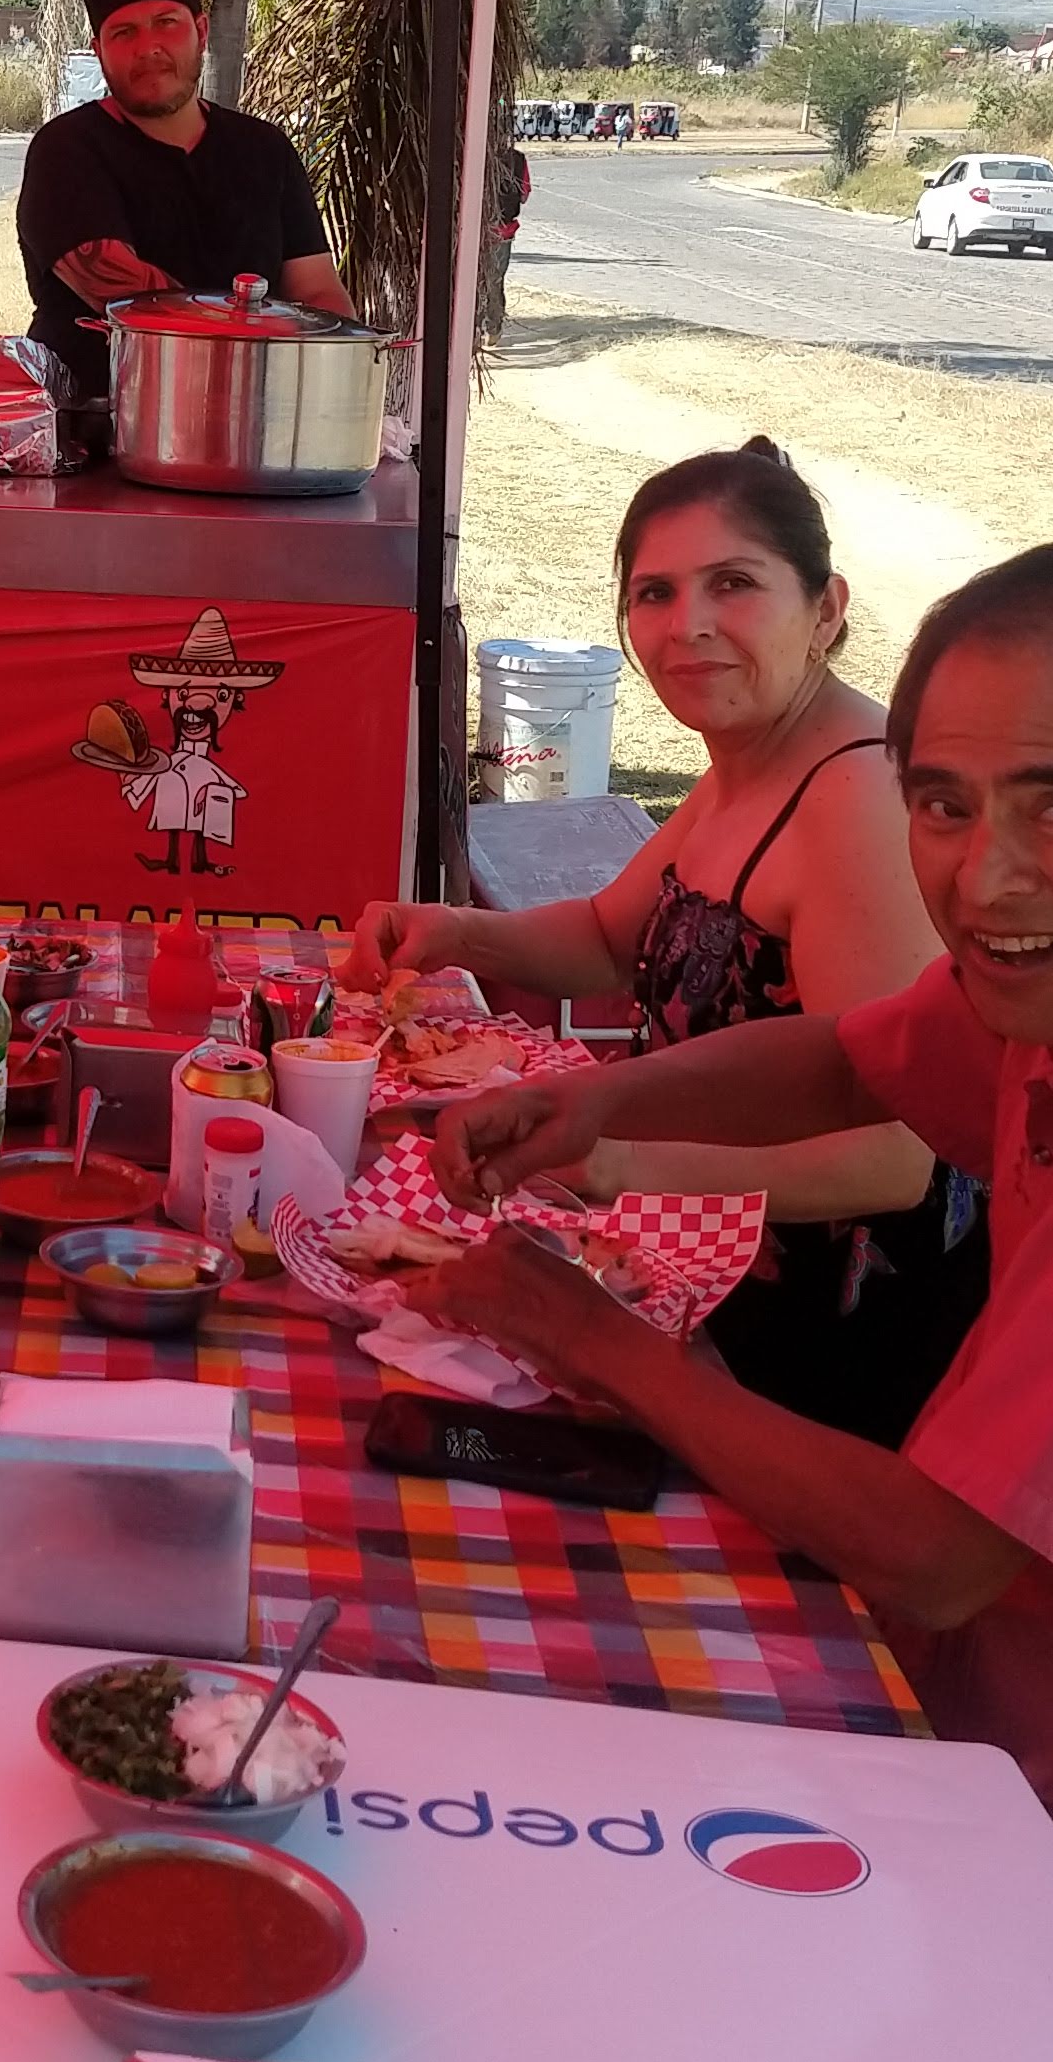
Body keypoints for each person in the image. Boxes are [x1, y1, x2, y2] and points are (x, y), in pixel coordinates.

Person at [429, 537, 1053, 2062]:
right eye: (946, 805)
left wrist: (596, 1341)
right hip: (984, 1715)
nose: (985, 876)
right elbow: (853, 1056)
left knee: (492, 1929)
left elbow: (941, 1556)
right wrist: (594, 1102)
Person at [344, 440, 985, 1444]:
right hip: (685, 1272)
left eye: (733, 584)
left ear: (826, 609)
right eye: (654, 593)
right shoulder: (754, 759)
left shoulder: (857, 798)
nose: (687, 625)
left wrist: (617, 1161)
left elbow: (894, 1157)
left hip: (815, 1355)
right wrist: (452, 933)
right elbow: (611, 940)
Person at [16, 0, 345, 399]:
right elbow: (133, 303)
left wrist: (336, 387)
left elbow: (319, 296)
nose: (147, 47)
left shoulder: (265, 149)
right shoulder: (67, 149)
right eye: (124, 32)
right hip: (90, 431)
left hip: (255, 427)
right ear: (99, 50)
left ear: (201, 31)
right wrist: (257, 337)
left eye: (166, 23)